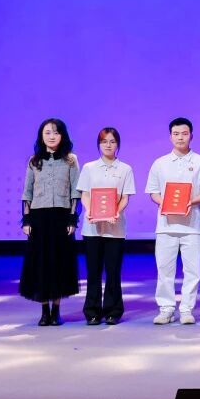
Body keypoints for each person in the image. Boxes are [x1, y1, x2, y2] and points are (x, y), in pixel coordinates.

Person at [146, 118, 200, 325]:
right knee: (164, 270)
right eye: (176, 134)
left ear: (191, 136)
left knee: (192, 271)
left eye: (184, 134)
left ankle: (186, 309)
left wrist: (190, 202)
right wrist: (166, 203)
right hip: (166, 225)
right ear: (170, 137)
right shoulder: (160, 163)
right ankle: (166, 309)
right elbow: (153, 192)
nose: (180, 138)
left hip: (192, 226)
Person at [20, 118, 80, 326]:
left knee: (59, 264)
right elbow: (27, 193)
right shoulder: (34, 161)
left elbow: (75, 192)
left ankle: (56, 310)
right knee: (41, 265)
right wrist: (26, 220)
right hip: (39, 219)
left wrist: (72, 219)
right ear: (41, 136)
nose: (52, 136)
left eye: (56, 132)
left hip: (61, 218)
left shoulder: (70, 160)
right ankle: (44, 311)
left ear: (62, 135)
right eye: (47, 132)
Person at [75, 127, 135, 325]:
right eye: (104, 142)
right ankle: (92, 312)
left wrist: (116, 211)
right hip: (92, 228)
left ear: (117, 144)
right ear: (98, 145)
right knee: (93, 272)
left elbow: (125, 197)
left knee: (113, 271)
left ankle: (113, 311)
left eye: (112, 141)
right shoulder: (89, 168)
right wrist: (89, 210)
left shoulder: (125, 169)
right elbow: (84, 194)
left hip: (115, 229)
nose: (108, 145)